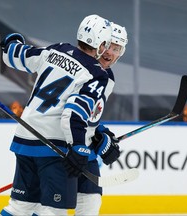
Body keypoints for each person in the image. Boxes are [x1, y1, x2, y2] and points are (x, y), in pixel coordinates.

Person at [0, 14, 122, 216]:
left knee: (20, 208)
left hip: (25, 139)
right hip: (54, 145)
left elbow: (15, 55)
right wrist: (79, 148)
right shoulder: (96, 73)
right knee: (53, 210)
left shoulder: (57, 49)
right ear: (100, 42)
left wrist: (12, 41)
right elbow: (74, 114)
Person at [74, 22, 128, 216]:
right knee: (47, 209)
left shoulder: (108, 78)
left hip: (84, 150)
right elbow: (67, 110)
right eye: (108, 45)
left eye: (117, 49)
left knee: (90, 204)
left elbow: (88, 114)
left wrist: (99, 133)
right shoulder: (80, 67)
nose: (110, 52)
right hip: (62, 147)